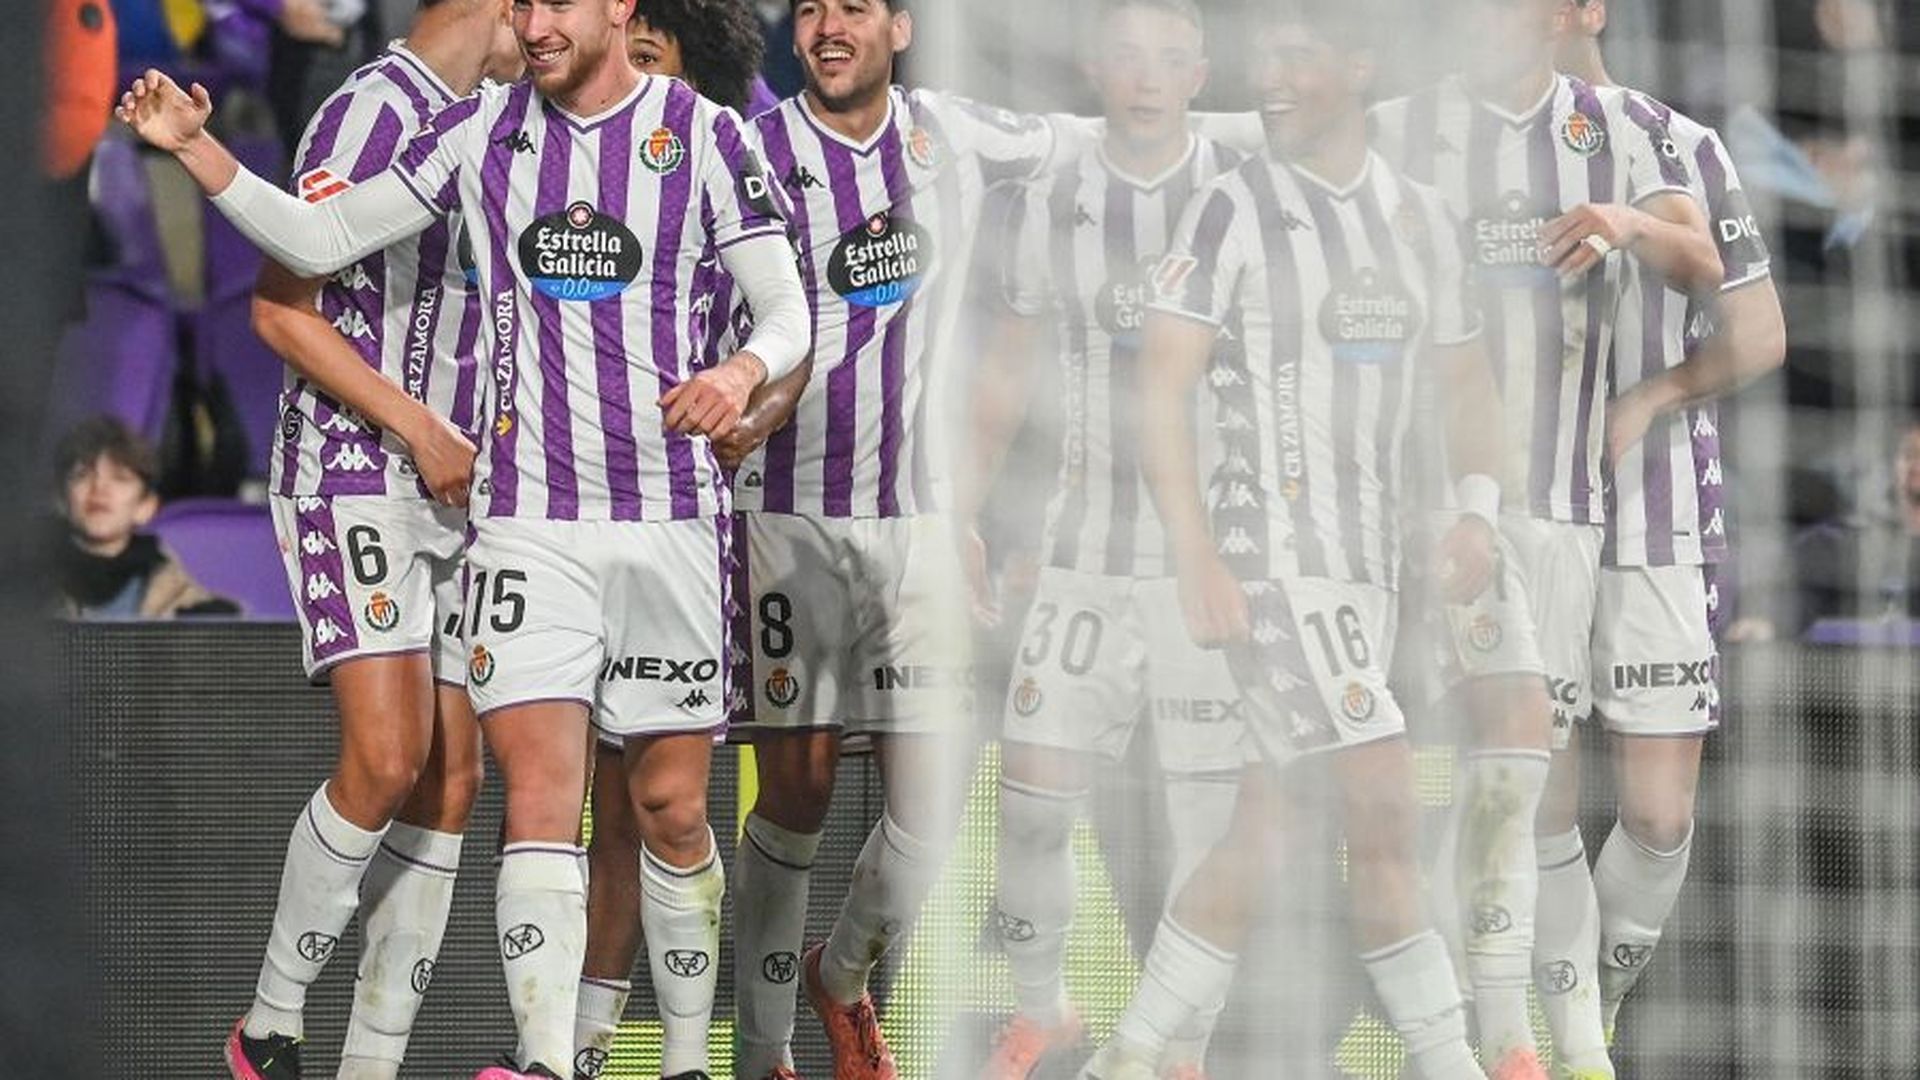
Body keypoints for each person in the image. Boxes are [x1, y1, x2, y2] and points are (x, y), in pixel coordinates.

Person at [116, 0, 813, 1074]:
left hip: (670, 518)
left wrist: (740, 372)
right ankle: (537, 1059)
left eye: (555, 2)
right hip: (525, 520)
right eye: (521, 2)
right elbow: (320, 239)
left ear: (619, 7)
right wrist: (201, 149)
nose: (531, 22)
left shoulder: (705, 137)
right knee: (534, 794)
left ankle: (683, 1060)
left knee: (671, 809)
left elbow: (787, 311)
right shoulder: (481, 129)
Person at [1079, 1, 1507, 1076]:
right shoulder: (1229, 209)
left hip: (1376, 575)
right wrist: (1197, 555)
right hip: (1270, 564)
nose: (1269, 80)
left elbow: (1466, 381)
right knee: (1387, 805)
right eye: (1263, 59)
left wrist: (1479, 506)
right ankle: (1453, 1059)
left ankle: (1126, 1058)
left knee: (1262, 833)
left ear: (1359, 67)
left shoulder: (1416, 218)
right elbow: (1159, 390)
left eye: (1294, 58)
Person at [1370, 1, 1723, 1074]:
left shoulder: (1622, 128)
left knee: (1547, 795)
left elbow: (1701, 260)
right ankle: (1515, 1036)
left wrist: (1630, 227)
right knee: (1513, 774)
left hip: (1576, 506)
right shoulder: (1406, 125)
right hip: (1455, 508)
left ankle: (1566, 1023)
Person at [726, 2, 1069, 1077]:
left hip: (918, 519)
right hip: (784, 515)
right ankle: (766, 1052)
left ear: (901, 28)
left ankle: (840, 977)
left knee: (937, 791)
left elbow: (1105, 138)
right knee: (798, 794)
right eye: (813, 9)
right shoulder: (753, 152)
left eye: (854, 8)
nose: (830, 27)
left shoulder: (951, 134)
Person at [221, 2, 523, 1078]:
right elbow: (279, 308)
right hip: (354, 472)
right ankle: (267, 1025)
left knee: (454, 783)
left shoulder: (496, 114)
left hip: (458, 488)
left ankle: (371, 1068)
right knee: (388, 758)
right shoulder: (366, 115)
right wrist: (419, 423)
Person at [955, 3, 1248, 1078]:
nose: (1148, 78)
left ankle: (1184, 1051)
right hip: (1078, 555)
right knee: (1030, 807)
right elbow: (1004, 375)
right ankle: (1046, 1011)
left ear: (1200, 73)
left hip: (1206, 569)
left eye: (1171, 60)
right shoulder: (1050, 200)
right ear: (1095, 67)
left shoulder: (1239, 194)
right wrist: (965, 518)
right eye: (1128, 56)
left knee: (1202, 831)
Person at [570, 3, 812, 1077]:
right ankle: (574, 1044)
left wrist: (748, 412)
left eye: (651, 53)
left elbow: (797, 333)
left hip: (700, 521)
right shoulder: (575, 164)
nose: (625, 67)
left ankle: (708, 1050)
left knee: (657, 801)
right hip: (574, 514)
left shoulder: (734, 162)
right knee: (586, 804)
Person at [1544, 0, 1786, 1061]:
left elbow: (1762, 335)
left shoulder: (1680, 140)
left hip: (1657, 517)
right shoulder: (1449, 141)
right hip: (1522, 520)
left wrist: (1651, 397)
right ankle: (1551, 1033)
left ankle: (1593, 994)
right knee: (1529, 796)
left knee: (1656, 817)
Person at [53, 414, 239, 618]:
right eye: (82, 475)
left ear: (146, 506)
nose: (99, 488)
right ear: (61, 498)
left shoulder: (174, 591)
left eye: (120, 478)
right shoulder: (23, 580)